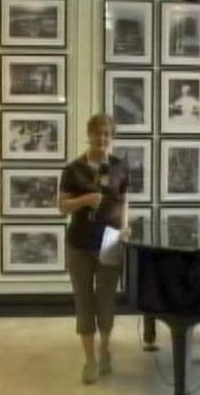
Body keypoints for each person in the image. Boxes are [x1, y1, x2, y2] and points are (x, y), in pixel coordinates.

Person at [58, 114, 130, 385]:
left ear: (112, 138)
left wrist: (124, 226)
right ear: (89, 134)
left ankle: (105, 349)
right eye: (98, 133)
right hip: (79, 245)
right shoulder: (72, 169)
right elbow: (62, 207)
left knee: (107, 300)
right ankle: (90, 360)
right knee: (84, 301)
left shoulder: (120, 166)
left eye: (107, 135)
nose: (102, 139)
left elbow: (124, 200)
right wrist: (85, 199)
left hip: (110, 241)